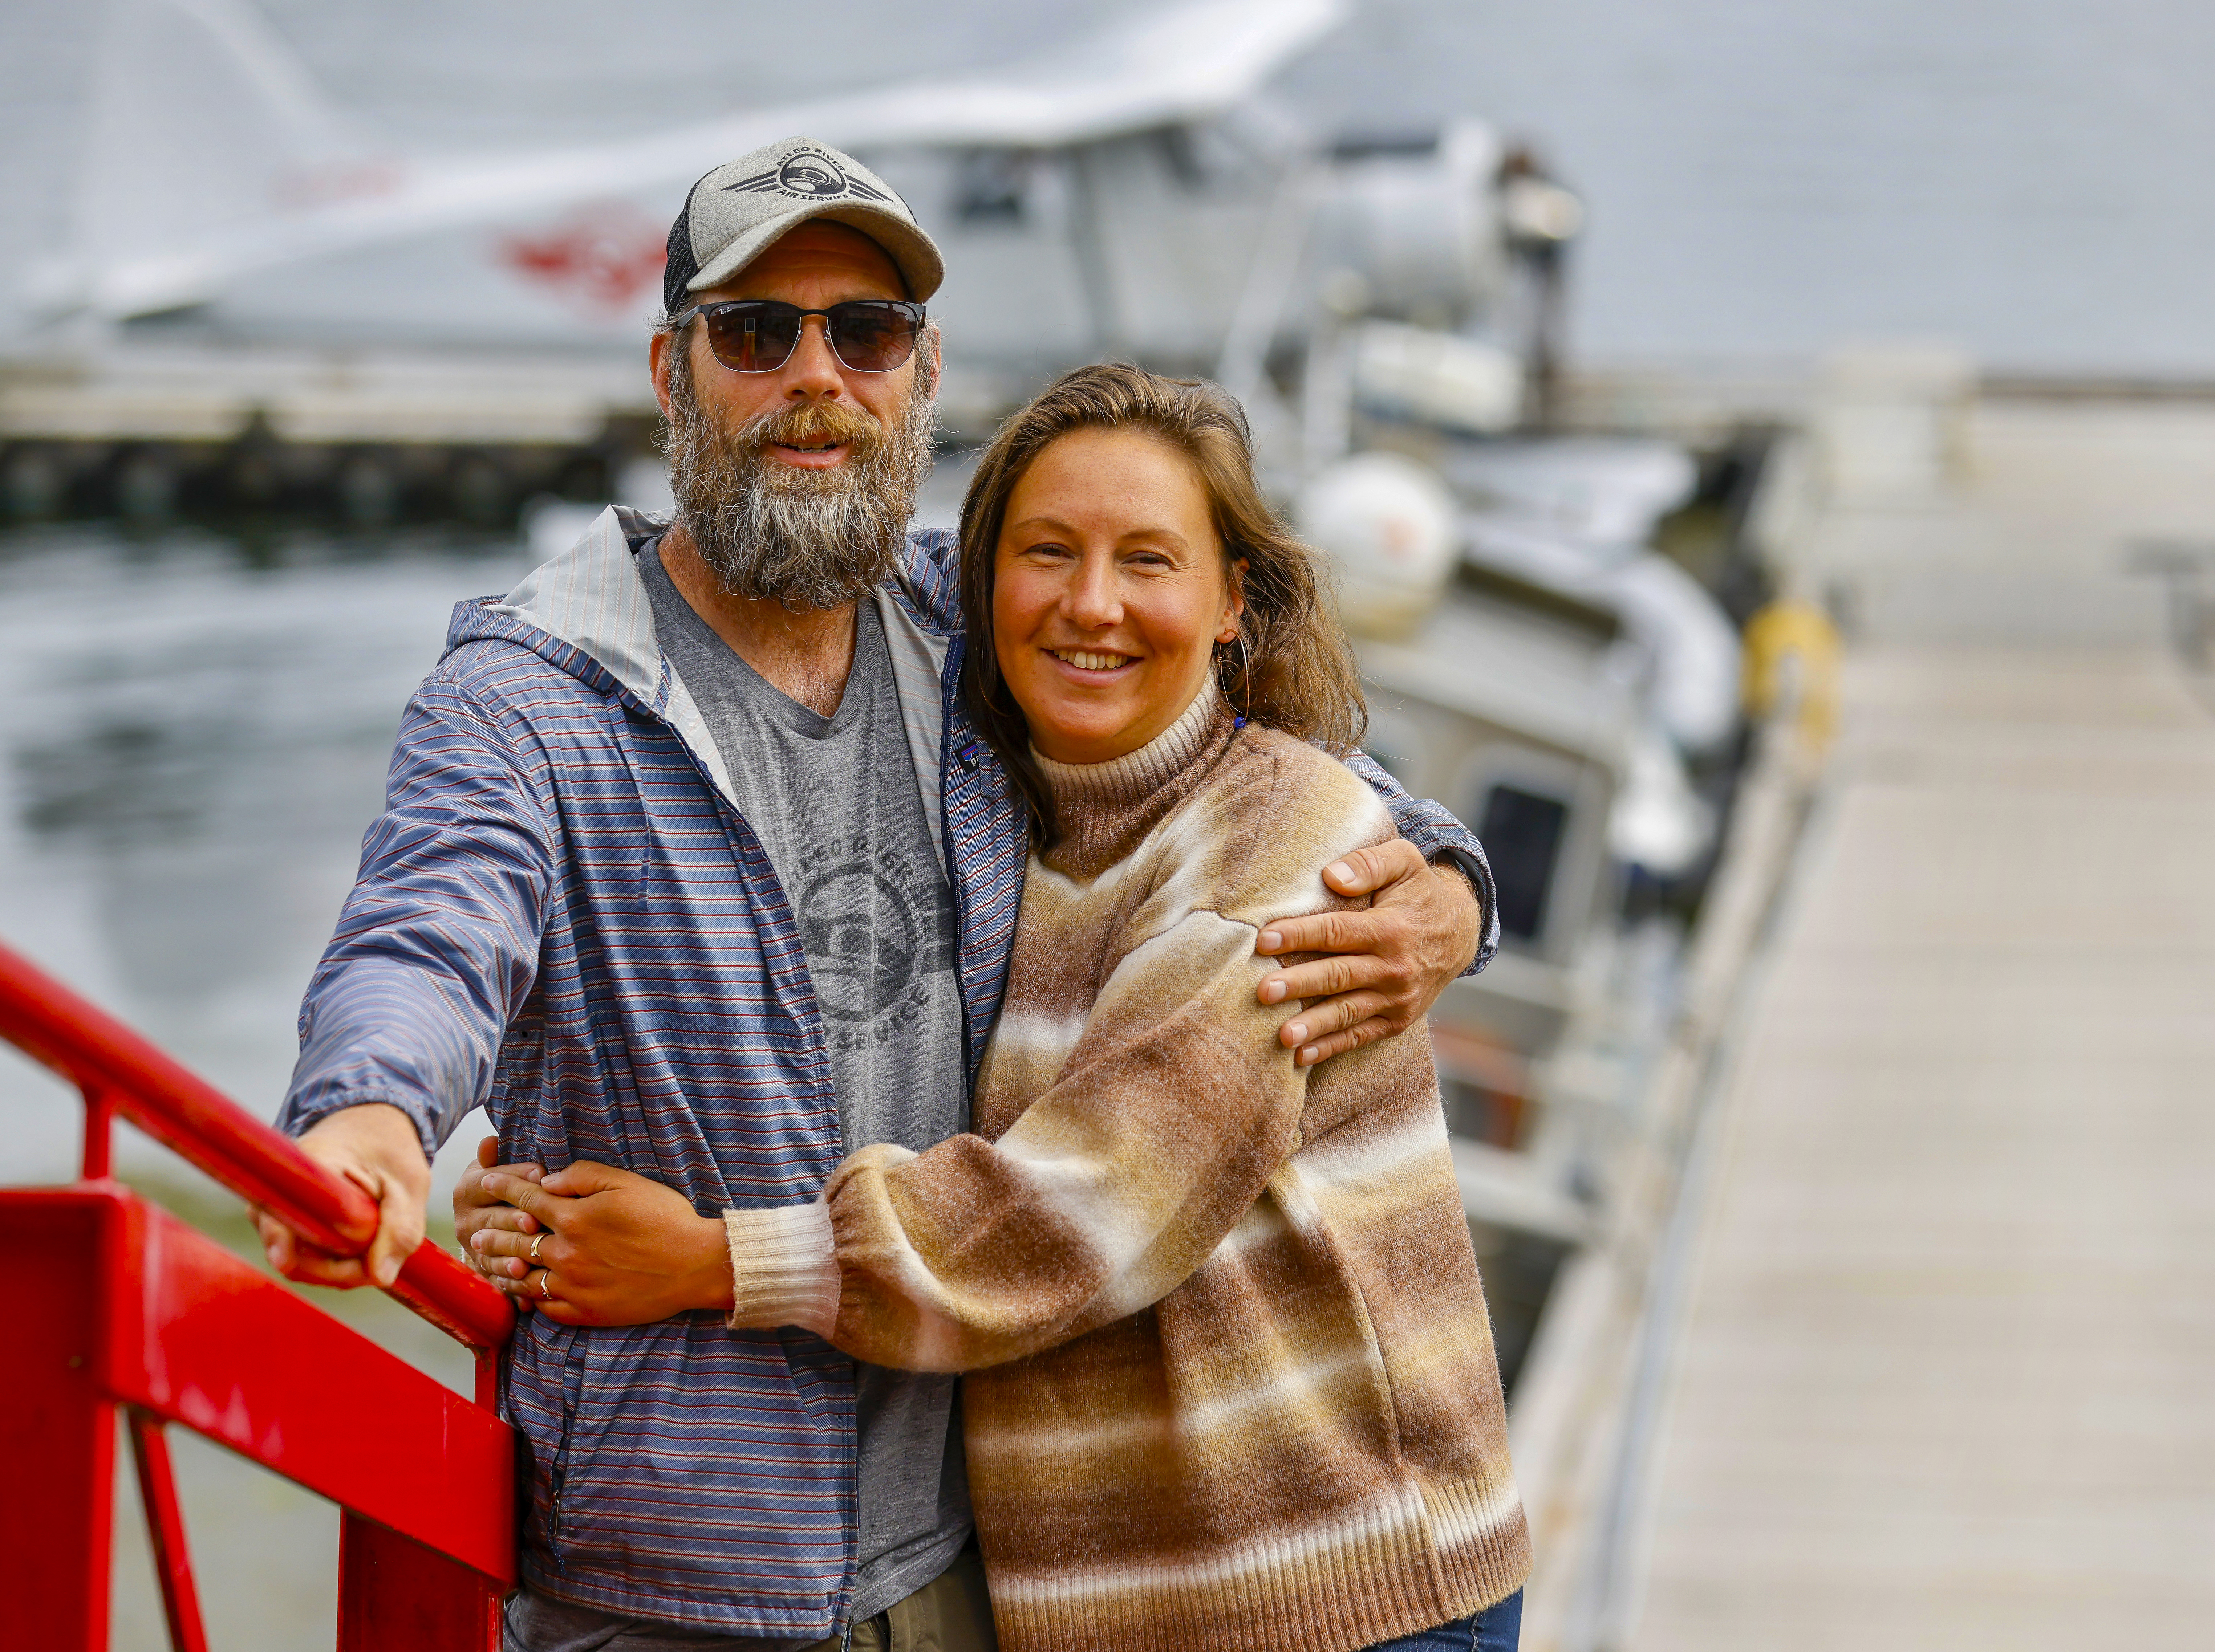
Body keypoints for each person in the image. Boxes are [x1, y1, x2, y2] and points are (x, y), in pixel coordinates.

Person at [252, 137, 1499, 1651]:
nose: (816, 375)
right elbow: (426, 928)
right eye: (756, 332)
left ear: (920, 372)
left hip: (972, 1571)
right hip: (671, 1569)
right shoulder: (531, 703)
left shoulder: (963, 627)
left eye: (867, 330)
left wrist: (1444, 885)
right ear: (669, 371)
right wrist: (371, 1118)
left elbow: (1229, 757)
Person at [474, 363, 1528, 1652]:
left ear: (1228, 605)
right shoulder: (1001, 821)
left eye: (1148, 560)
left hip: (1330, 1591)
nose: (1092, 604)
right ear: (980, 593)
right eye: (1047, 553)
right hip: (1145, 1600)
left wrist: (707, 1259)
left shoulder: (1277, 852)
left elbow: (1083, 1208)